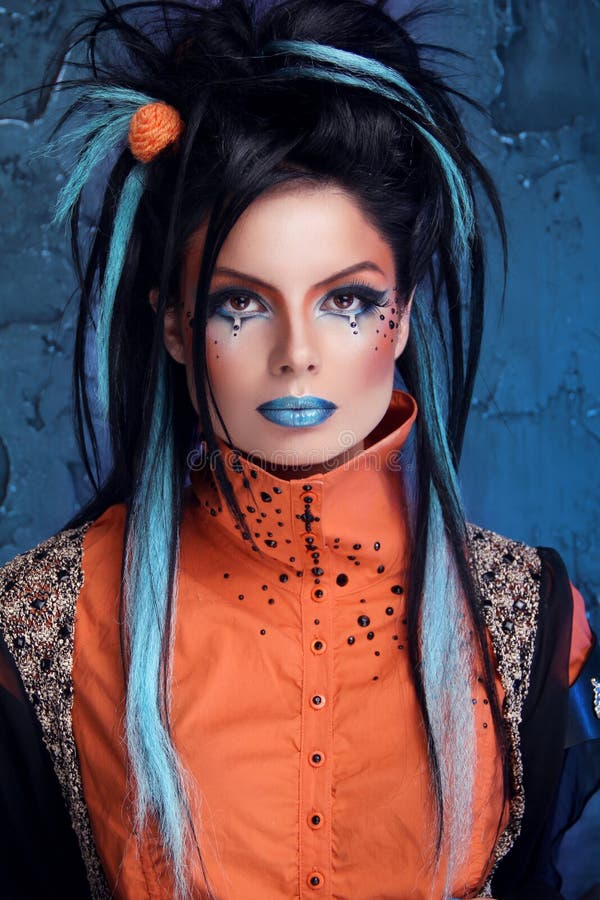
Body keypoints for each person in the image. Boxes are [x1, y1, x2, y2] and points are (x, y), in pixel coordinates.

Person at [0, 0, 598, 898]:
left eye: (346, 300)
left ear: (398, 318)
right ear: (173, 323)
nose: (296, 352)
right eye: (240, 303)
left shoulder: (528, 619)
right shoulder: (45, 623)